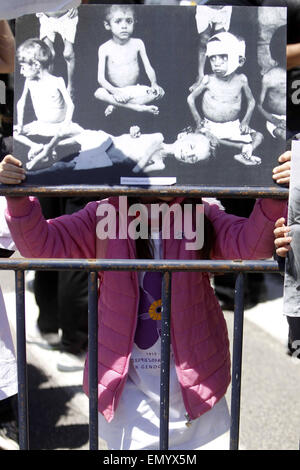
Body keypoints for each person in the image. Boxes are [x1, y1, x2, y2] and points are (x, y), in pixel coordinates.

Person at [0, 153, 289, 450]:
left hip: (195, 386)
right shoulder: (104, 213)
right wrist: (20, 196)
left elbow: (250, 245)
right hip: (127, 392)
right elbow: (42, 244)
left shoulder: (202, 213)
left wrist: (275, 191)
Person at [187, 31, 263, 166]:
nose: (217, 63)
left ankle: (246, 152)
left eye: (223, 57)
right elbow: (190, 99)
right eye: (212, 58)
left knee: (259, 137)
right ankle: (239, 147)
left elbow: (251, 101)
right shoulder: (208, 80)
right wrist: (198, 120)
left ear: (239, 61)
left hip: (233, 126)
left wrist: (245, 122)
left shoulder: (241, 80)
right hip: (210, 126)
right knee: (203, 137)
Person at [14, 38, 84, 170]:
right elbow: (20, 103)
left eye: (23, 67)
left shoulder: (57, 81)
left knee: (82, 135)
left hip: (59, 125)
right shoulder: (29, 82)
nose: (21, 72)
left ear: (36, 65)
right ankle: (34, 146)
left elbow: (71, 105)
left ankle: (51, 147)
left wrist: (66, 124)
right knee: (14, 132)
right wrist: (21, 125)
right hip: (41, 125)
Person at [94, 4, 164, 117]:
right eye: (118, 21)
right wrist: (116, 92)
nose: (124, 26)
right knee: (98, 92)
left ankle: (115, 104)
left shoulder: (138, 43)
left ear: (134, 22)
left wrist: (154, 83)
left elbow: (148, 68)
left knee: (158, 93)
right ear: (107, 25)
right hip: (115, 91)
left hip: (135, 90)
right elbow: (101, 79)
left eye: (129, 21)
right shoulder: (104, 48)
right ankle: (137, 108)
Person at [36, 7, 79, 98]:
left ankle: (71, 88)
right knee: (48, 54)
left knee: (68, 53)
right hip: (46, 16)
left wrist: (75, 5)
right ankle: (48, 87)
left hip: (67, 16)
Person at [189, 4, 233, 92]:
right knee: (204, 40)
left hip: (223, 7)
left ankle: (219, 76)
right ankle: (200, 76)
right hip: (206, 8)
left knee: (220, 41)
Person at [257, 25, 286, 140]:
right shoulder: (270, 77)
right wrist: (274, 120)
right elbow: (258, 105)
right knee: (285, 135)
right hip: (274, 118)